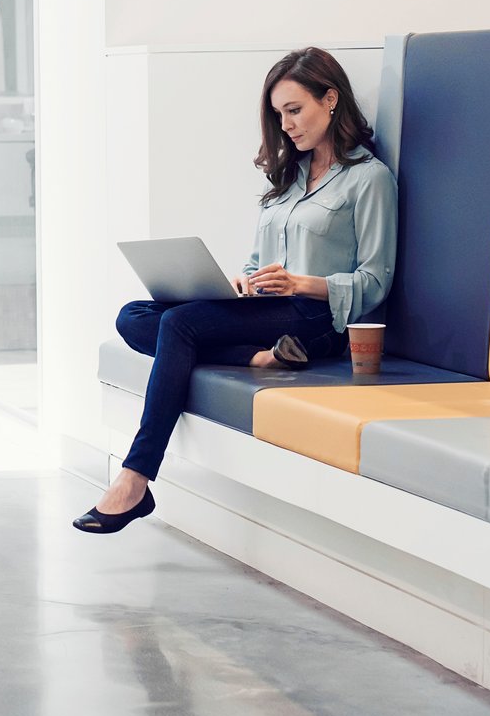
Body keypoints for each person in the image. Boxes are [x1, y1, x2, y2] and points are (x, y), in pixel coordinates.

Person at [73, 46, 396, 534]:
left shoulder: (368, 179)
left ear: (330, 99)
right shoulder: (288, 178)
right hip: (267, 316)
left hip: (314, 319)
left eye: (294, 110)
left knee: (180, 325)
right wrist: (243, 281)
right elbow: (256, 260)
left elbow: (376, 282)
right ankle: (257, 357)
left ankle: (135, 478)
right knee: (133, 316)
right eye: (278, 114)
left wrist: (300, 283)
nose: (286, 124)